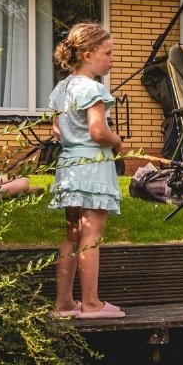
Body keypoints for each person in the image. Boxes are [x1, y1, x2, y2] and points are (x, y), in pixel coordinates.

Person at [48, 22, 124, 320]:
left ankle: (64, 303)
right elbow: (98, 132)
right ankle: (91, 304)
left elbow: (56, 129)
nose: (112, 59)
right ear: (90, 54)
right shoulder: (94, 89)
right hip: (93, 166)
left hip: (68, 165)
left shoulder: (62, 87)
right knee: (91, 234)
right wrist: (116, 141)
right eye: (108, 53)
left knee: (72, 234)